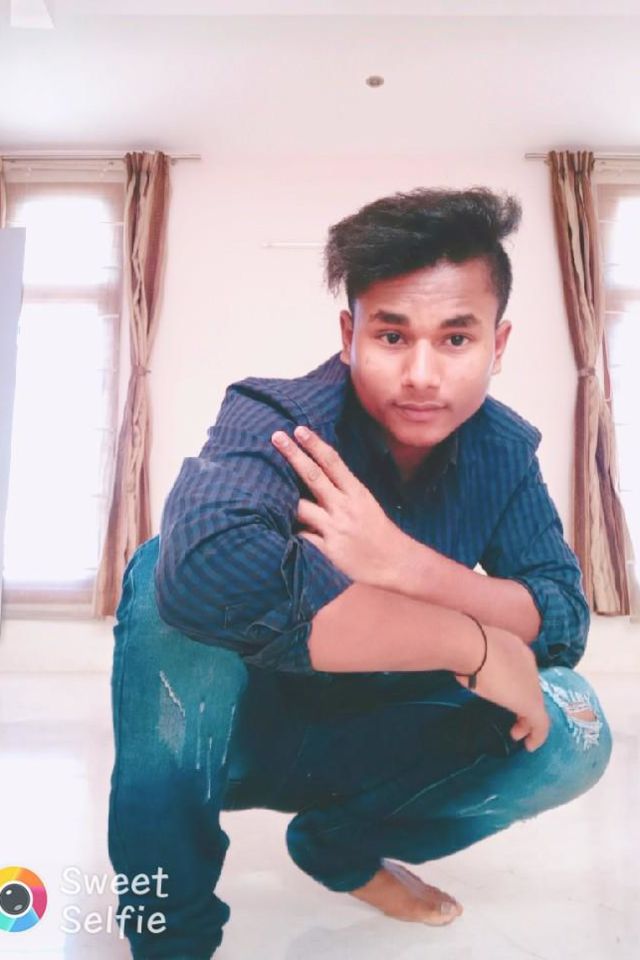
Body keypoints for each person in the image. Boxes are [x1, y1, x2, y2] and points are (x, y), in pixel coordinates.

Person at [108, 187, 612, 960]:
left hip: (376, 727)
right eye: (392, 335)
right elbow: (212, 576)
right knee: (166, 573)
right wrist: (473, 643)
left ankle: (338, 846)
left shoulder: (502, 451)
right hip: (234, 738)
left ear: (498, 344)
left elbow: (562, 618)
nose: (422, 375)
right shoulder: (278, 418)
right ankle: (169, 938)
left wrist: (406, 565)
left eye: (455, 338)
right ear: (350, 335)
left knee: (577, 728)